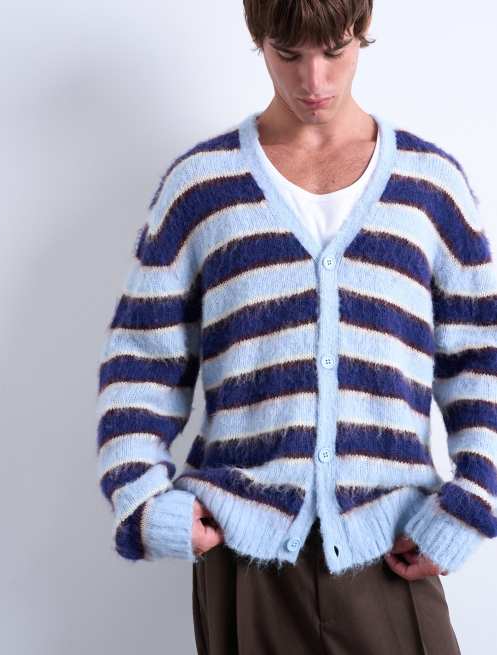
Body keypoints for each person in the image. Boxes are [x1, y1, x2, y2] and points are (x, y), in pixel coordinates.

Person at [97, 1, 496, 652]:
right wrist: (143, 500)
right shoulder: (202, 187)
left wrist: (472, 501)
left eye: (335, 51)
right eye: (288, 54)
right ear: (259, 39)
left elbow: (480, 357)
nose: (315, 80)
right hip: (244, 561)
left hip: (394, 546)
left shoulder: (430, 187)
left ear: (362, 32)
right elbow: (142, 361)